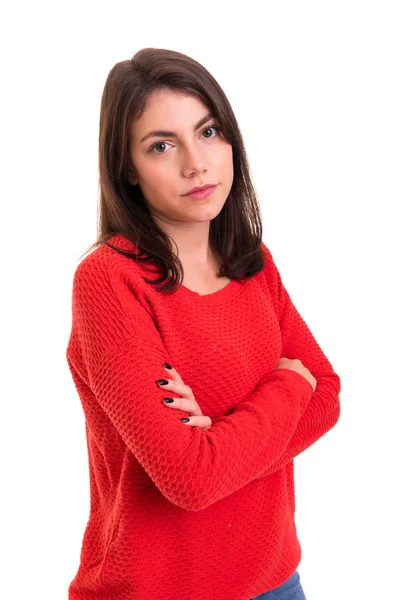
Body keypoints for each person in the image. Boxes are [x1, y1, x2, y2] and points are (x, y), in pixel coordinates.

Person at [65, 47, 341, 600]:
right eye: (162, 146)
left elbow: (328, 396)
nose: (196, 163)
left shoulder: (253, 261)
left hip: (276, 582)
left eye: (208, 131)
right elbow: (191, 479)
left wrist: (218, 438)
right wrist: (286, 385)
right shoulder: (110, 282)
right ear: (127, 169)